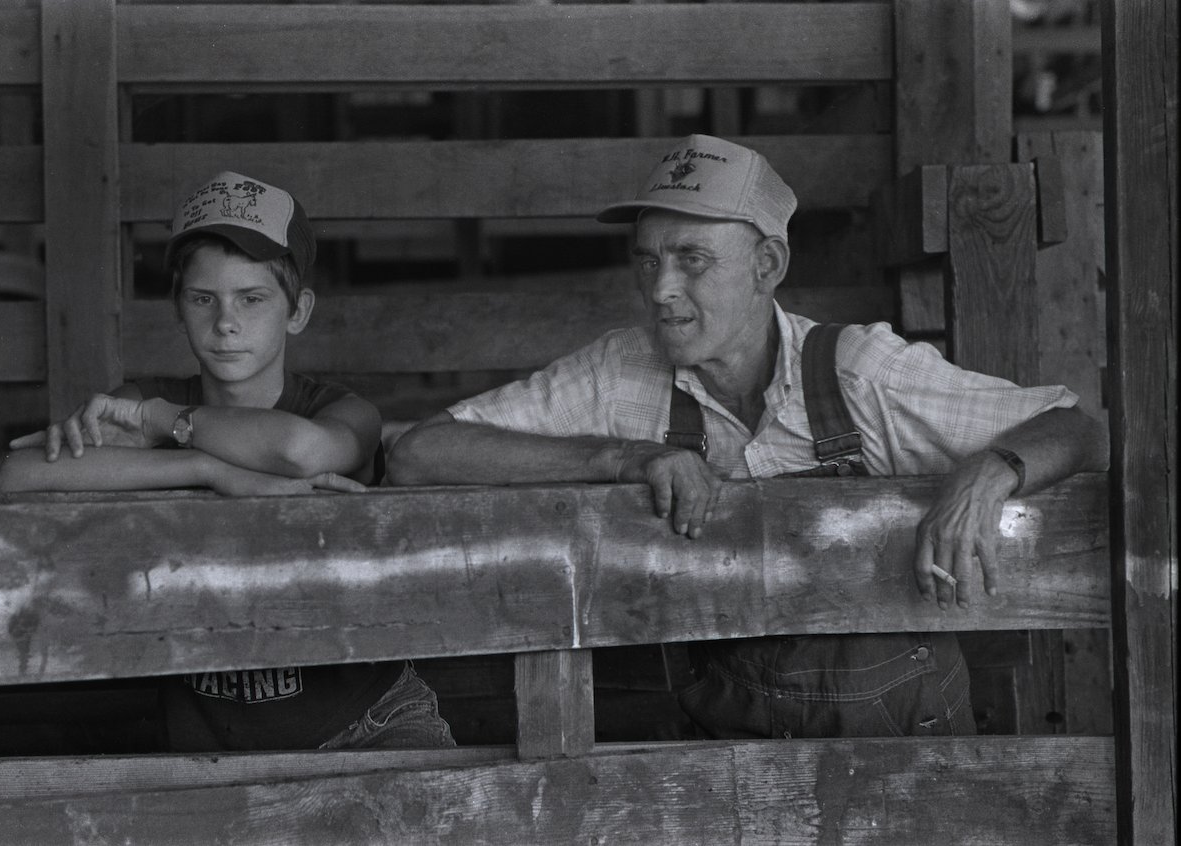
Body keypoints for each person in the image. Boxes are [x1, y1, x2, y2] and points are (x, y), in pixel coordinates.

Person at [388, 135, 1108, 739]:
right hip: (730, 738)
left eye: (691, 260)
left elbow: (1077, 427)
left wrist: (991, 472)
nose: (660, 287)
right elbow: (420, 454)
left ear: (768, 266)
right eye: (647, 259)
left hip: (903, 740)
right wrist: (623, 457)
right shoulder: (621, 371)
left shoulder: (864, 371)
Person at [0, 171, 454, 752]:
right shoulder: (139, 401)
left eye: (252, 298)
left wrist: (172, 425)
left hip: (365, 722)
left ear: (298, 310)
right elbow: (21, 474)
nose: (226, 322)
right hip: (210, 741)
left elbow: (301, 451)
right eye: (203, 298)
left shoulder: (341, 411)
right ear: (177, 307)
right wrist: (208, 471)